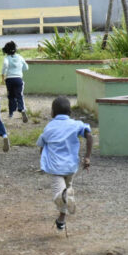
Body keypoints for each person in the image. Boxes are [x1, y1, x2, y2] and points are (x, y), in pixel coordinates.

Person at [36, 96, 93, 231]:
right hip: (71, 167)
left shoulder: (49, 127)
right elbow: (89, 136)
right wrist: (87, 157)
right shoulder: (76, 124)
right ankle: (61, 220)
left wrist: (44, 159)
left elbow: (42, 146)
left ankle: (66, 198)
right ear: (70, 113)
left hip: (56, 168)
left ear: (52, 113)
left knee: (59, 195)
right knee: (66, 194)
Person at [2, 41, 29, 122]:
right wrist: (20, 69)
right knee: (19, 95)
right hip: (18, 79)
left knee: (11, 96)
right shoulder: (20, 57)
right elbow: (26, 67)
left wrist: (3, 74)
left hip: (9, 79)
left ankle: (11, 112)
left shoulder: (7, 58)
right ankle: (22, 109)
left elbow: (5, 65)